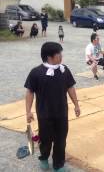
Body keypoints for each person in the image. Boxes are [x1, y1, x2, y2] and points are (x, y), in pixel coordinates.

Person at [25, 42, 80, 172]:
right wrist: (28, 111)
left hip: (62, 113)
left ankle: (58, 164)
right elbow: (30, 92)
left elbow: (70, 88)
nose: (61, 56)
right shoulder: (36, 72)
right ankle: (44, 158)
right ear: (49, 56)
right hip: (45, 114)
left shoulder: (64, 70)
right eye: (58, 54)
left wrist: (76, 105)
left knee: (61, 140)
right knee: (45, 139)